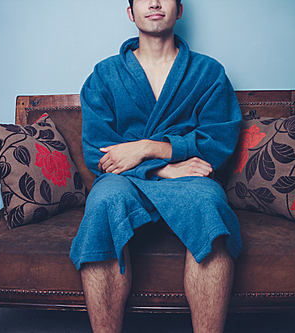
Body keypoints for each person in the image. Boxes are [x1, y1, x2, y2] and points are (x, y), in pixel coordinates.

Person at [70, 1, 242, 332]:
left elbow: (217, 142)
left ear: (178, 10)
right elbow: (98, 153)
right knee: (104, 203)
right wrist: (162, 168)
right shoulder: (105, 76)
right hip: (126, 179)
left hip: (190, 176)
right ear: (130, 12)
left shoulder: (208, 73)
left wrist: (148, 148)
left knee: (210, 204)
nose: (153, 3)